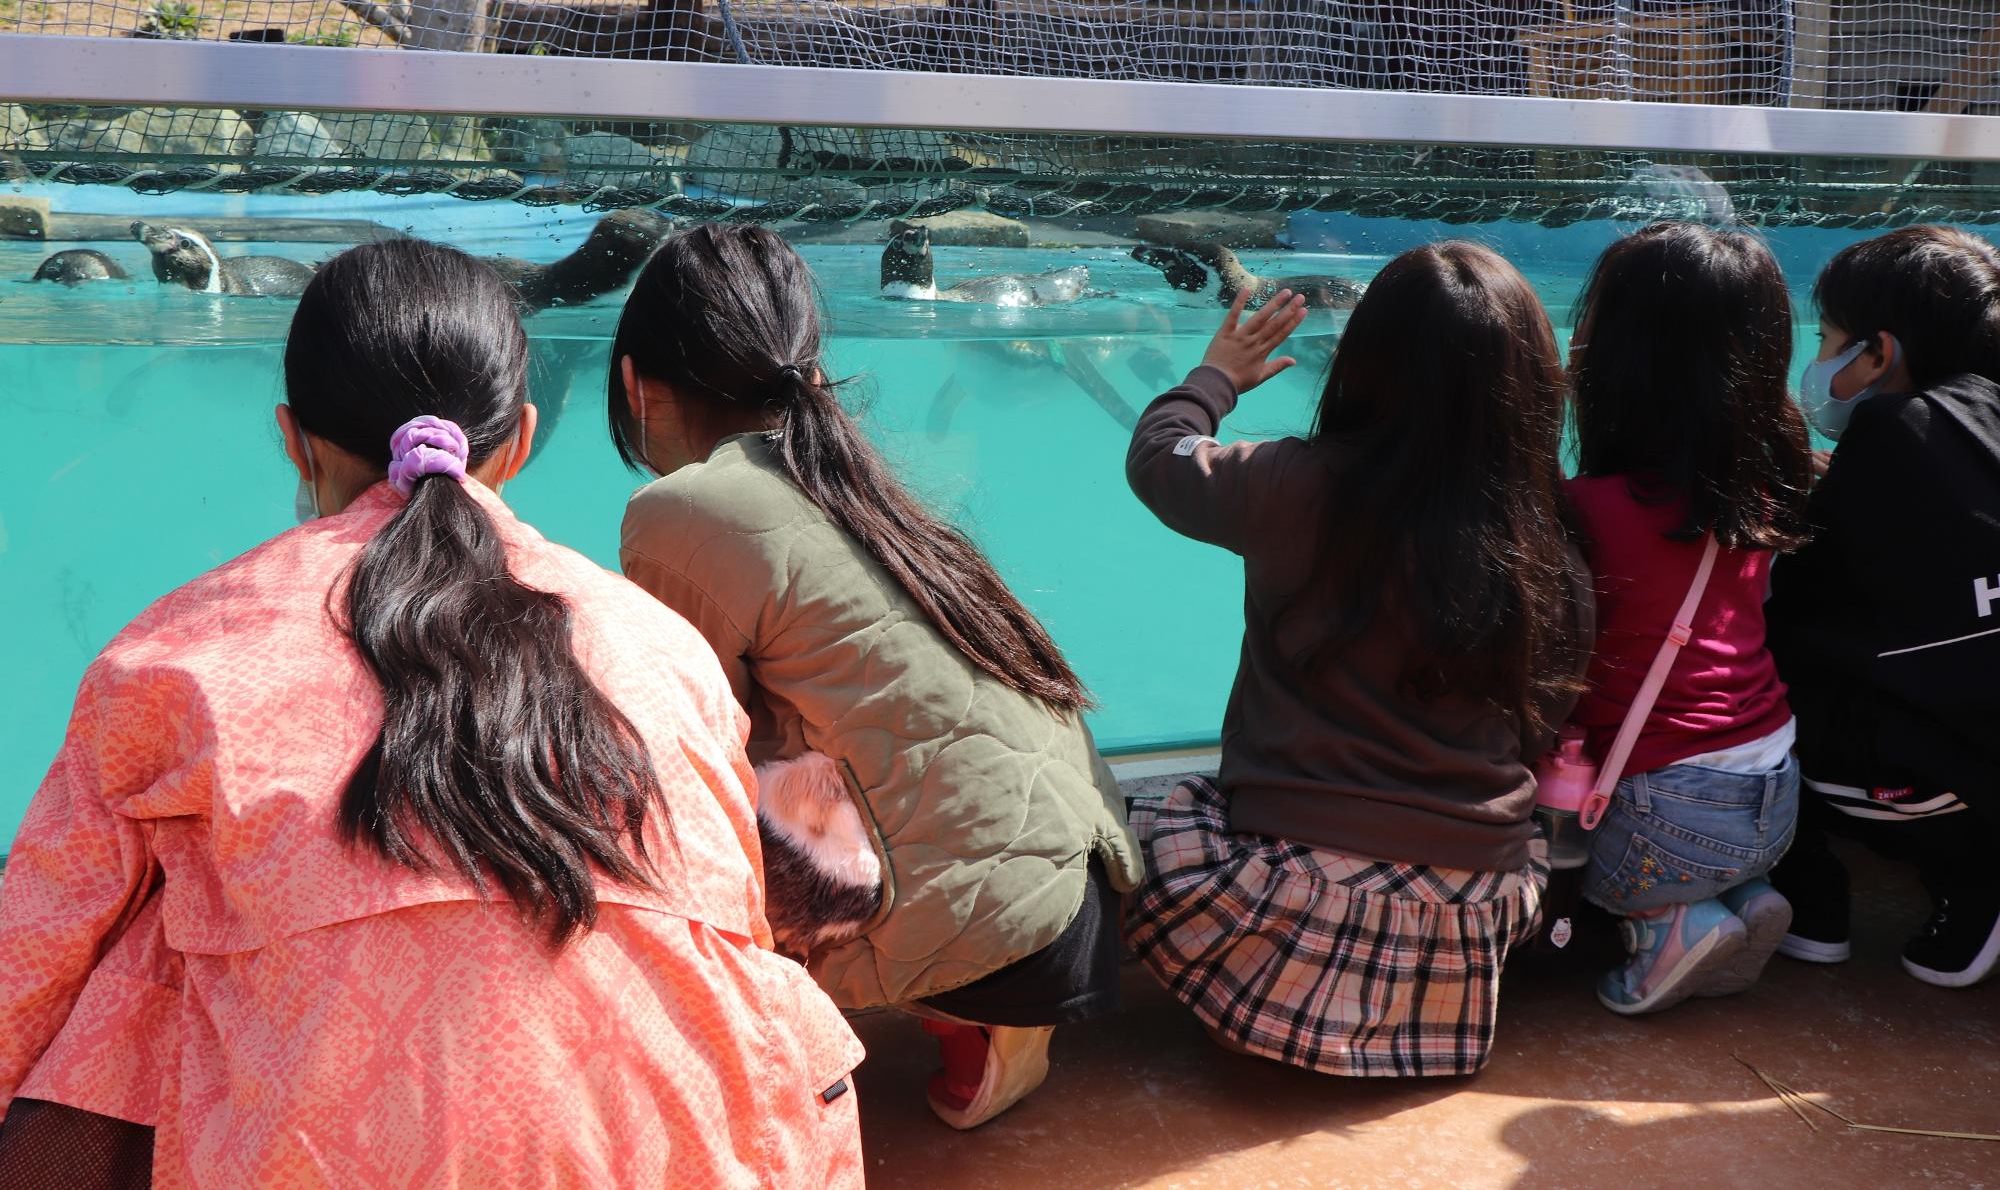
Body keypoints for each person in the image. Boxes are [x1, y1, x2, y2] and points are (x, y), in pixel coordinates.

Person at [0, 240, 864, 1188]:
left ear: (293, 438)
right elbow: (734, 926)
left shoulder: (171, 655)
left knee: (152, 920)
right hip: (706, 1156)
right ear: (522, 439)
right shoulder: (663, 645)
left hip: (317, 1160)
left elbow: (30, 948)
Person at [609, 224, 1143, 1130]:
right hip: (1084, 903)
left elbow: (681, 761)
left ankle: (945, 1000)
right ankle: (982, 1013)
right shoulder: (865, 482)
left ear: (634, 385)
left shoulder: (680, 510)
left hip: (990, 943)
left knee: (652, 776)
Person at [1122, 243, 1593, 1077]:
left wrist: (1213, 378)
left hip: (1284, 909)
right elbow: (1542, 723)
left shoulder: (1293, 483)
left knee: (1155, 811)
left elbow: (1160, 459)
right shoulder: (1549, 549)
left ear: (1362, 362)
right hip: (1465, 921)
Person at [1564, 223, 1812, 1014]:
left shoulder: (1586, 510)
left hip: (1664, 819)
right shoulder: (1764, 499)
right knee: (1704, 838)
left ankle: (1668, 921)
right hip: (1777, 789)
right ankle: (1747, 894)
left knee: (1575, 847)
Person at [1767, 225, 2000, 989]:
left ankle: (1812, 902)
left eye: (1830, 337)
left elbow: (1795, 605)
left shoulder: (1892, 429)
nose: (1822, 357)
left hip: (1948, 786)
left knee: (1746, 696)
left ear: (1879, 353)